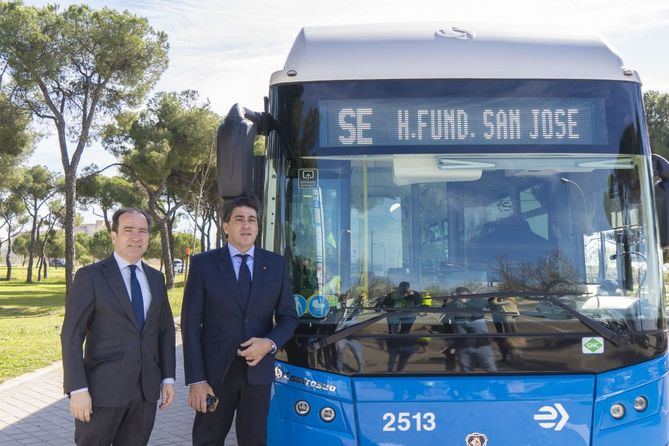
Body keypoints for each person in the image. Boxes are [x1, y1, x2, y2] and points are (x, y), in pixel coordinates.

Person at [181, 195, 298, 446]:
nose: (246, 226)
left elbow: (289, 317)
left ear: (258, 226)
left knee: (254, 441)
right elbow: (190, 325)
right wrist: (197, 380)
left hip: (258, 374)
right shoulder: (204, 264)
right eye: (239, 219)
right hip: (214, 376)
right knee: (206, 440)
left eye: (252, 220)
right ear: (225, 226)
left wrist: (269, 343)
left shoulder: (275, 265)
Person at [61, 208, 176, 446]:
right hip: (101, 392)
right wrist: (77, 389)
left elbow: (165, 331)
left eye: (142, 231)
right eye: (128, 230)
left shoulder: (156, 278)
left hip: (145, 393)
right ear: (114, 236)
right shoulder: (90, 276)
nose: (136, 237)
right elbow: (71, 336)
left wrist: (168, 379)